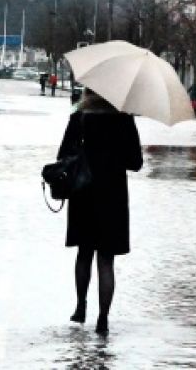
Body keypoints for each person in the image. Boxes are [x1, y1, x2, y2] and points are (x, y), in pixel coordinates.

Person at [57, 88, 143, 335]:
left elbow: (63, 154)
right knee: (106, 259)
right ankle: (103, 319)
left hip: (83, 192)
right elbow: (135, 162)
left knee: (84, 253)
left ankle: (80, 306)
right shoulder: (124, 119)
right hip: (112, 196)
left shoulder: (80, 117)